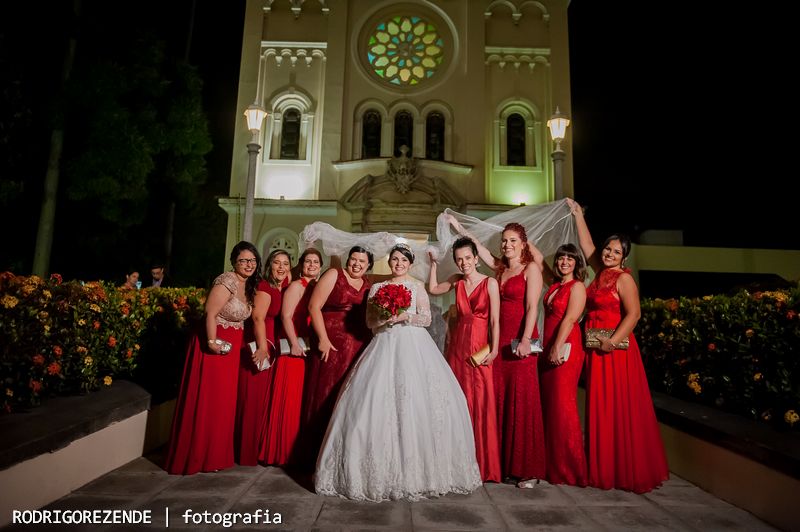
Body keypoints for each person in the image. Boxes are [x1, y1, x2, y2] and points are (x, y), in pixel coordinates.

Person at [315, 243, 482, 501]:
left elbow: (426, 318)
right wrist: (385, 318)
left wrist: (404, 317)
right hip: (384, 342)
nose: (398, 264)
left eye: (403, 260)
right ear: (389, 261)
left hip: (414, 345)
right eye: (394, 259)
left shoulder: (417, 286)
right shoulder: (377, 288)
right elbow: (370, 322)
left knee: (417, 401)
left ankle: (421, 473)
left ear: (410, 263)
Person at [567, 198, 669, 493]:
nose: (609, 254)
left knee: (618, 407)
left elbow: (634, 314)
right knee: (600, 406)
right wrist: (578, 215)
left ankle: (622, 469)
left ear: (624, 258)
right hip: (596, 348)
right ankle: (603, 467)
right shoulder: (600, 271)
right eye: (608, 249)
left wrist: (612, 341)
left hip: (616, 351)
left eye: (616, 252)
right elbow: (587, 245)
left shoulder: (624, 280)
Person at [448, 216, 546, 487]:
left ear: (523, 243)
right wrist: (459, 228)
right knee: (500, 399)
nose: (507, 245)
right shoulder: (500, 269)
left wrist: (525, 339)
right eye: (504, 241)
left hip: (522, 339)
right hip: (499, 343)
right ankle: (503, 464)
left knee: (523, 399)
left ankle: (528, 470)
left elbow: (532, 307)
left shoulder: (531, 269)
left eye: (513, 241)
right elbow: (477, 249)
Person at [164, 241, 260, 475]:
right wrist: (211, 342)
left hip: (232, 348)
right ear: (234, 262)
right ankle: (200, 456)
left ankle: (215, 455)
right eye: (244, 260)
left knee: (224, 402)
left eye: (253, 260)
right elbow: (210, 313)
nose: (249, 265)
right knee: (209, 399)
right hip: (215, 344)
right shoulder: (226, 280)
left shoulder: (248, 285)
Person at [428, 237, 502, 483]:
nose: (464, 263)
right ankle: (457, 464)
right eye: (459, 259)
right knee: (458, 401)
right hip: (458, 349)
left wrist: (494, 350)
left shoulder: (490, 283)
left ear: (476, 258)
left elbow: (495, 320)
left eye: (468, 258)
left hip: (480, 348)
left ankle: (484, 464)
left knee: (481, 401)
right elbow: (433, 289)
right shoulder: (457, 281)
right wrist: (434, 265)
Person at [303, 246, 374, 464]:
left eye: (362, 261)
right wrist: (323, 339)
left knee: (348, 394)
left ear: (368, 265)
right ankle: (316, 453)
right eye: (353, 259)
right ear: (348, 259)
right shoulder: (334, 274)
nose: (356, 264)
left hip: (357, 344)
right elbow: (314, 306)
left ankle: (341, 452)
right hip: (331, 342)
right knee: (326, 390)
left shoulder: (368, 284)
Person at [259, 248, 322, 466]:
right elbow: (286, 316)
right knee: (290, 400)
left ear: (320, 267)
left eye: (315, 262)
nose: (312, 265)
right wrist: (294, 343)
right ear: (301, 265)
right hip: (293, 349)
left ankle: (295, 450)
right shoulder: (296, 286)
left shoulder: (317, 286)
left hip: (308, 349)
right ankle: (281, 452)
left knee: (300, 402)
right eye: (308, 261)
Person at [234, 249, 291, 466]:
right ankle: (244, 452)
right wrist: (262, 347)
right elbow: (258, 318)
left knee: (263, 401)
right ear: (269, 265)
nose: (281, 267)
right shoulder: (265, 286)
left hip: (271, 345)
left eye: (285, 263)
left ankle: (256, 448)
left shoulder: (282, 286)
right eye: (277, 263)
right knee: (252, 399)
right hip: (259, 344)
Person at [539, 243, 588, 486]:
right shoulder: (555, 285)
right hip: (548, 345)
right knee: (549, 405)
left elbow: (570, 319)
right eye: (561, 258)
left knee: (563, 405)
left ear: (577, 263)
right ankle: (549, 464)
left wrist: (557, 346)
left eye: (570, 258)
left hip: (565, 346)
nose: (564, 262)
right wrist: (524, 240)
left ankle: (569, 468)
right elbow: (539, 260)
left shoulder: (577, 287)